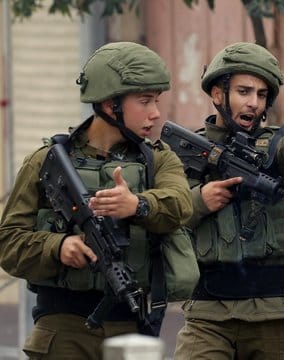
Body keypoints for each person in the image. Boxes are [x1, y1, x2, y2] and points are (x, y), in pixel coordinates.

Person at [0, 41, 193, 359]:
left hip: (132, 329)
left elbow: (180, 205)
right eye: (144, 101)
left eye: (156, 101)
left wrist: (138, 205)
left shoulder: (159, 160)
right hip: (62, 331)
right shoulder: (45, 161)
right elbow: (8, 244)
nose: (155, 113)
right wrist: (57, 247)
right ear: (109, 103)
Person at [173, 42, 284, 360]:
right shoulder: (184, 151)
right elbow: (163, 213)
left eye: (262, 94)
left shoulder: (275, 146)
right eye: (243, 91)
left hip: (275, 312)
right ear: (216, 94)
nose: (253, 103)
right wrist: (200, 200)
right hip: (209, 311)